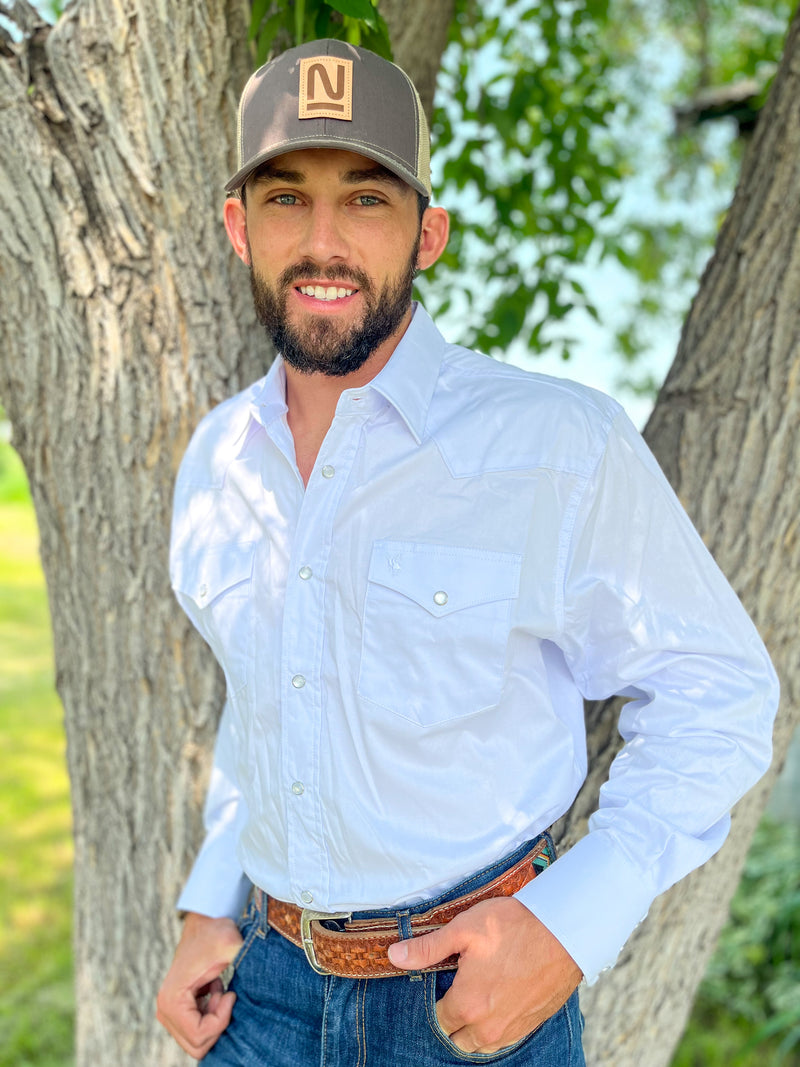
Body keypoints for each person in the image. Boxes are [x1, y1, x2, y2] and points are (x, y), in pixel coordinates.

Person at [156, 38, 779, 1066]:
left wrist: (567, 927)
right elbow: (265, 702)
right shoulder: (218, 460)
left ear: (426, 233)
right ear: (236, 227)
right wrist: (207, 905)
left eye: (365, 199)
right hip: (258, 1003)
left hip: (468, 1007)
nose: (322, 242)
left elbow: (716, 691)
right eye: (283, 199)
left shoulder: (551, 444)